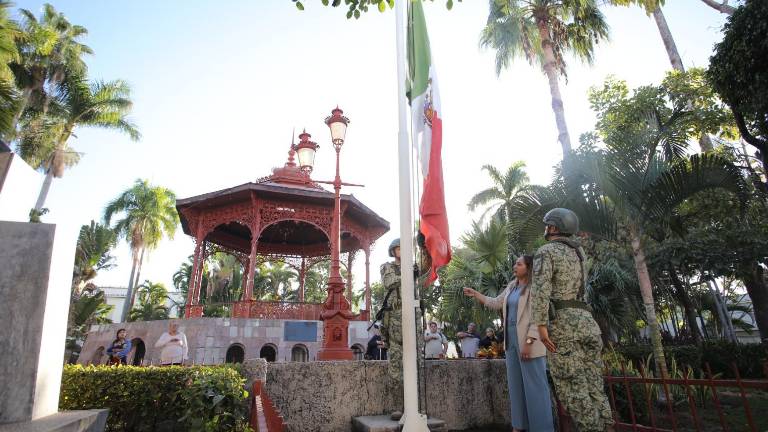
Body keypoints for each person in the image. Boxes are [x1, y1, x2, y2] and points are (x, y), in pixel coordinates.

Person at [529, 208, 613, 432]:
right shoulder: (579, 252)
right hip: (588, 324)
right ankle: (607, 426)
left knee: (573, 389)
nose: (546, 228)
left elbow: (540, 291)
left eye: (547, 225)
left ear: (553, 227)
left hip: (564, 328)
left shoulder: (546, 251)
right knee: (595, 386)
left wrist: (541, 326)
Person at [464, 256, 553, 432]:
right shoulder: (512, 286)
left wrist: (528, 342)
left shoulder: (536, 287)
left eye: (519, 264)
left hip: (530, 343)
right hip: (511, 343)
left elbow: (539, 318)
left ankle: (542, 428)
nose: (514, 266)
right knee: (515, 388)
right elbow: (496, 302)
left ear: (528, 267)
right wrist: (476, 294)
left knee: (536, 388)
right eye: (515, 263)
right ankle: (519, 426)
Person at [380, 238, 404, 420]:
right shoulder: (387, 267)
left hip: (413, 316)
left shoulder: (414, 268)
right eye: (399, 248)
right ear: (393, 251)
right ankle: (398, 406)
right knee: (395, 366)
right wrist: (409, 274)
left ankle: (415, 406)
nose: (402, 250)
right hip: (395, 319)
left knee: (416, 364)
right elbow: (389, 282)